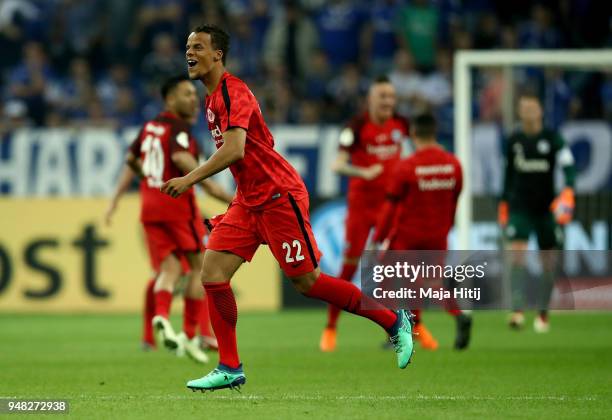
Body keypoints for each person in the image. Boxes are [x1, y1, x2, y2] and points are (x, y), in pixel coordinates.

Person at [161, 24, 415, 392]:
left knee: (307, 282)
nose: (190, 53)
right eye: (188, 47)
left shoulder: (234, 91)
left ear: (218, 54)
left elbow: (235, 150)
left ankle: (393, 322)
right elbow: (261, 142)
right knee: (212, 272)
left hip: (279, 196)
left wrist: (189, 180)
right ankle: (230, 366)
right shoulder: (212, 98)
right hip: (249, 200)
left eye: (198, 47)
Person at [114, 75, 233, 362]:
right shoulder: (179, 130)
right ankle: (192, 334)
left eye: (194, 94)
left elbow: (131, 160)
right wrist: (232, 199)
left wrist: (151, 178)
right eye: (186, 94)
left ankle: (163, 318)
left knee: (168, 269)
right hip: (177, 208)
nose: (193, 99)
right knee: (198, 267)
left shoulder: (149, 127)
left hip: (150, 207)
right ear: (169, 100)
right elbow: (187, 167)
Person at [319, 75, 410, 352]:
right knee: (349, 266)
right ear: (370, 99)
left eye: (391, 97)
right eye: (383, 97)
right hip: (361, 206)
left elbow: (407, 155)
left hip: (389, 206)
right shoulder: (356, 127)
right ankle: (331, 327)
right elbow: (337, 165)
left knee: (389, 268)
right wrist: (364, 172)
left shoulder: (401, 124)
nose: (388, 102)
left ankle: (394, 331)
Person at [372, 113, 473, 350]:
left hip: (408, 236)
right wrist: (445, 227)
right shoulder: (454, 165)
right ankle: (458, 315)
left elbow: (390, 207)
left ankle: (397, 334)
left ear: (413, 134)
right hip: (437, 236)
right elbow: (454, 200)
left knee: (386, 278)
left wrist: (379, 237)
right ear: (434, 133)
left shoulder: (407, 166)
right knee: (429, 282)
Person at [499, 93, 576, 333]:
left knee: (548, 260)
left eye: (532, 107)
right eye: (524, 108)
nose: (529, 112)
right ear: (520, 113)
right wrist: (503, 204)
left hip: (546, 209)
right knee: (517, 254)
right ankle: (518, 310)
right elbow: (508, 175)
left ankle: (543, 312)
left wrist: (568, 192)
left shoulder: (553, 140)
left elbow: (569, 167)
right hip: (520, 208)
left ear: (540, 110)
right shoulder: (514, 141)